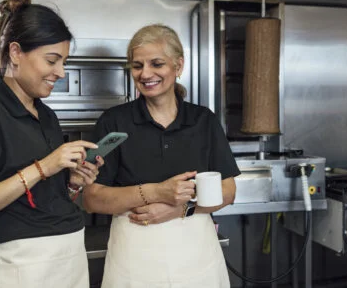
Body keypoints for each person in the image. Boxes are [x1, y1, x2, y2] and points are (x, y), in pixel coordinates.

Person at [0, 0, 103, 288]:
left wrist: (72, 182)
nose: (61, 72)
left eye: (64, 62)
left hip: (67, 260)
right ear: (16, 53)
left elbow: (43, 199)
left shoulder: (47, 116)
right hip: (17, 269)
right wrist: (43, 166)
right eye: (52, 60)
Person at [86, 24, 240, 287]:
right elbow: (92, 198)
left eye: (156, 63)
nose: (146, 74)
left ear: (178, 66)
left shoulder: (203, 121)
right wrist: (158, 192)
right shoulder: (114, 122)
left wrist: (180, 209)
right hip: (134, 259)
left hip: (197, 258)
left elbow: (227, 190)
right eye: (137, 66)